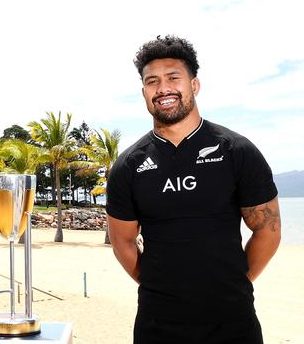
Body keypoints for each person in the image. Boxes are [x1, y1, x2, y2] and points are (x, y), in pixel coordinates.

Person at [107, 35, 281, 344]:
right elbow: (123, 242)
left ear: (194, 85)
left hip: (232, 322)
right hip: (157, 324)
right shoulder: (128, 166)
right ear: (144, 91)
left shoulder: (237, 151)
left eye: (173, 78)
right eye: (152, 82)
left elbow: (268, 229)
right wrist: (160, 288)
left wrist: (235, 283)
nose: (163, 89)